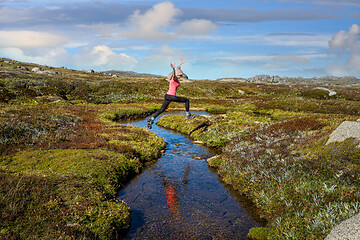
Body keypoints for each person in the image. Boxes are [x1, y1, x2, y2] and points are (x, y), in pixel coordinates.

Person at [147, 59, 194, 129]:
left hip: (167, 96)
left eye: (181, 75)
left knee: (162, 109)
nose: (181, 76)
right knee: (186, 100)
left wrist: (180, 64)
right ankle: (188, 115)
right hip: (171, 96)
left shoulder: (176, 79)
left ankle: (151, 119)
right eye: (180, 75)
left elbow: (178, 69)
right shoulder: (174, 78)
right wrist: (173, 69)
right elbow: (174, 74)